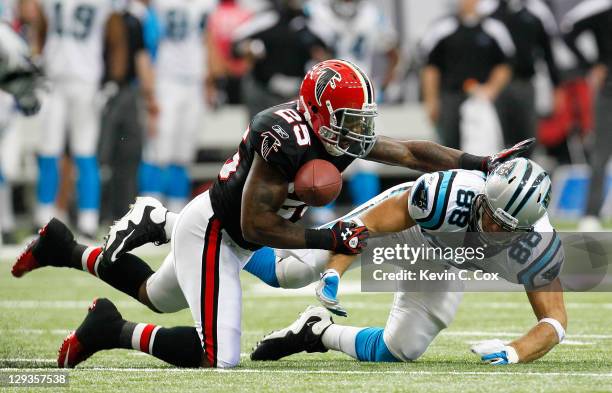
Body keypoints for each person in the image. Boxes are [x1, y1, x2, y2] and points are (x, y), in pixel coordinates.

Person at [12, 60, 531, 369]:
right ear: (319, 114)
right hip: (217, 227)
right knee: (220, 356)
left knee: (155, 295)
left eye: (361, 121)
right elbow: (258, 225)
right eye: (349, 120)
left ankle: (63, 246)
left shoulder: (336, 133)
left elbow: (414, 153)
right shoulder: (280, 134)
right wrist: (328, 234)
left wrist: (482, 162)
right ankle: (114, 326)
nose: (359, 132)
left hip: (238, 233)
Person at [250, 158, 566, 366]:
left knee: (402, 348)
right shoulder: (446, 195)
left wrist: (516, 351)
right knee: (291, 271)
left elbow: (554, 321)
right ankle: (222, 237)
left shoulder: (537, 247)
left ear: (525, 230)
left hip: (446, 262)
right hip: (411, 228)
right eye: (489, 213)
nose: (491, 227)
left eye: (504, 227)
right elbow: (367, 226)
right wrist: (335, 271)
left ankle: (315, 331)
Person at [30, 0, 127, 239]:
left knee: (84, 153)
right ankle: (45, 217)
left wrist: (114, 79)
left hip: (85, 82)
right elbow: (41, 29)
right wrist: (38, 62)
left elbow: (116, 38)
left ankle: (88, 219)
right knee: (49, 151)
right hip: (55, 81)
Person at [138, 0, 215, 213]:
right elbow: (147, 42)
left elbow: (206, 37)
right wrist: (150, 88)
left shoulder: (206, 4)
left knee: (184, 153)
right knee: (157, 149)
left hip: (194, 82)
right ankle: (147, 211)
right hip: (166, 80)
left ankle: (176, 212)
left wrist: (209, 80)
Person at [421, 0, 515, 150]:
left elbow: (504, 65)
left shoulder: (494, 28)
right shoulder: (442, 28)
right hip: (451, 97)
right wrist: (431, 100)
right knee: (449, 149)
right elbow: (431, 68)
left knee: (486, 147)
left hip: (482, 98)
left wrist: (491, 89)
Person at [99, 0, 158, 223]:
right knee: (103, 156)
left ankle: (117, 211)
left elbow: (139, 57)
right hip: (104, 91)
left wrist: (149, 95)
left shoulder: (133, 18)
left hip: (118, 91)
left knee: (126, 155)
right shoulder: (118, 17)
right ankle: (99, 212)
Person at [482, 0, 562, 149]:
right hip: (496, 86)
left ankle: (525, 170)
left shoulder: (537, 10)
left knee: (527, 137)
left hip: (525, 82)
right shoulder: (488, 10)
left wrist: (556, 87)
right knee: (498, 137)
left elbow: (548, 52)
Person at [231, 0, 329, 119]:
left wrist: (321, 56)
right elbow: (236, 45)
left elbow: (328, 52)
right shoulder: (268, 18)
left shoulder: (313, 21)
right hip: (264, 90)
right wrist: (249, 48)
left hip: (298, 92)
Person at [562, 0, 612, 231]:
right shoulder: (599, 8)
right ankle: (591, 213)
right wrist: (590, 65)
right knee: (600, 154)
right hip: (608, 91)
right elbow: (567, 30)